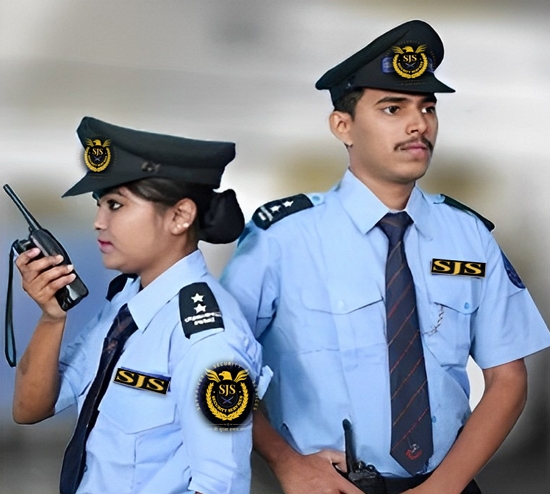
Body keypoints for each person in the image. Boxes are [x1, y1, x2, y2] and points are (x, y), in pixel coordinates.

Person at [220, 19, 550, 494]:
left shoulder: (469, 238)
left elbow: (507, 379)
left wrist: (444, 487)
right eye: (393, 108)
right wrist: (285, 461)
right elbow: (213, 368)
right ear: (343, 126)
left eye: (427, 108)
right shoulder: (282, 239)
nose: (418, 124)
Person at [12, 116, 270, 494]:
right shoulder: (127, 303)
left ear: (180, 216)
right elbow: (30, 409)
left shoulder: (208, 339)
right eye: (100, 204)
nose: (99, 222)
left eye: (116, 205)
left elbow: (220, 487)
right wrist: (53, 317)